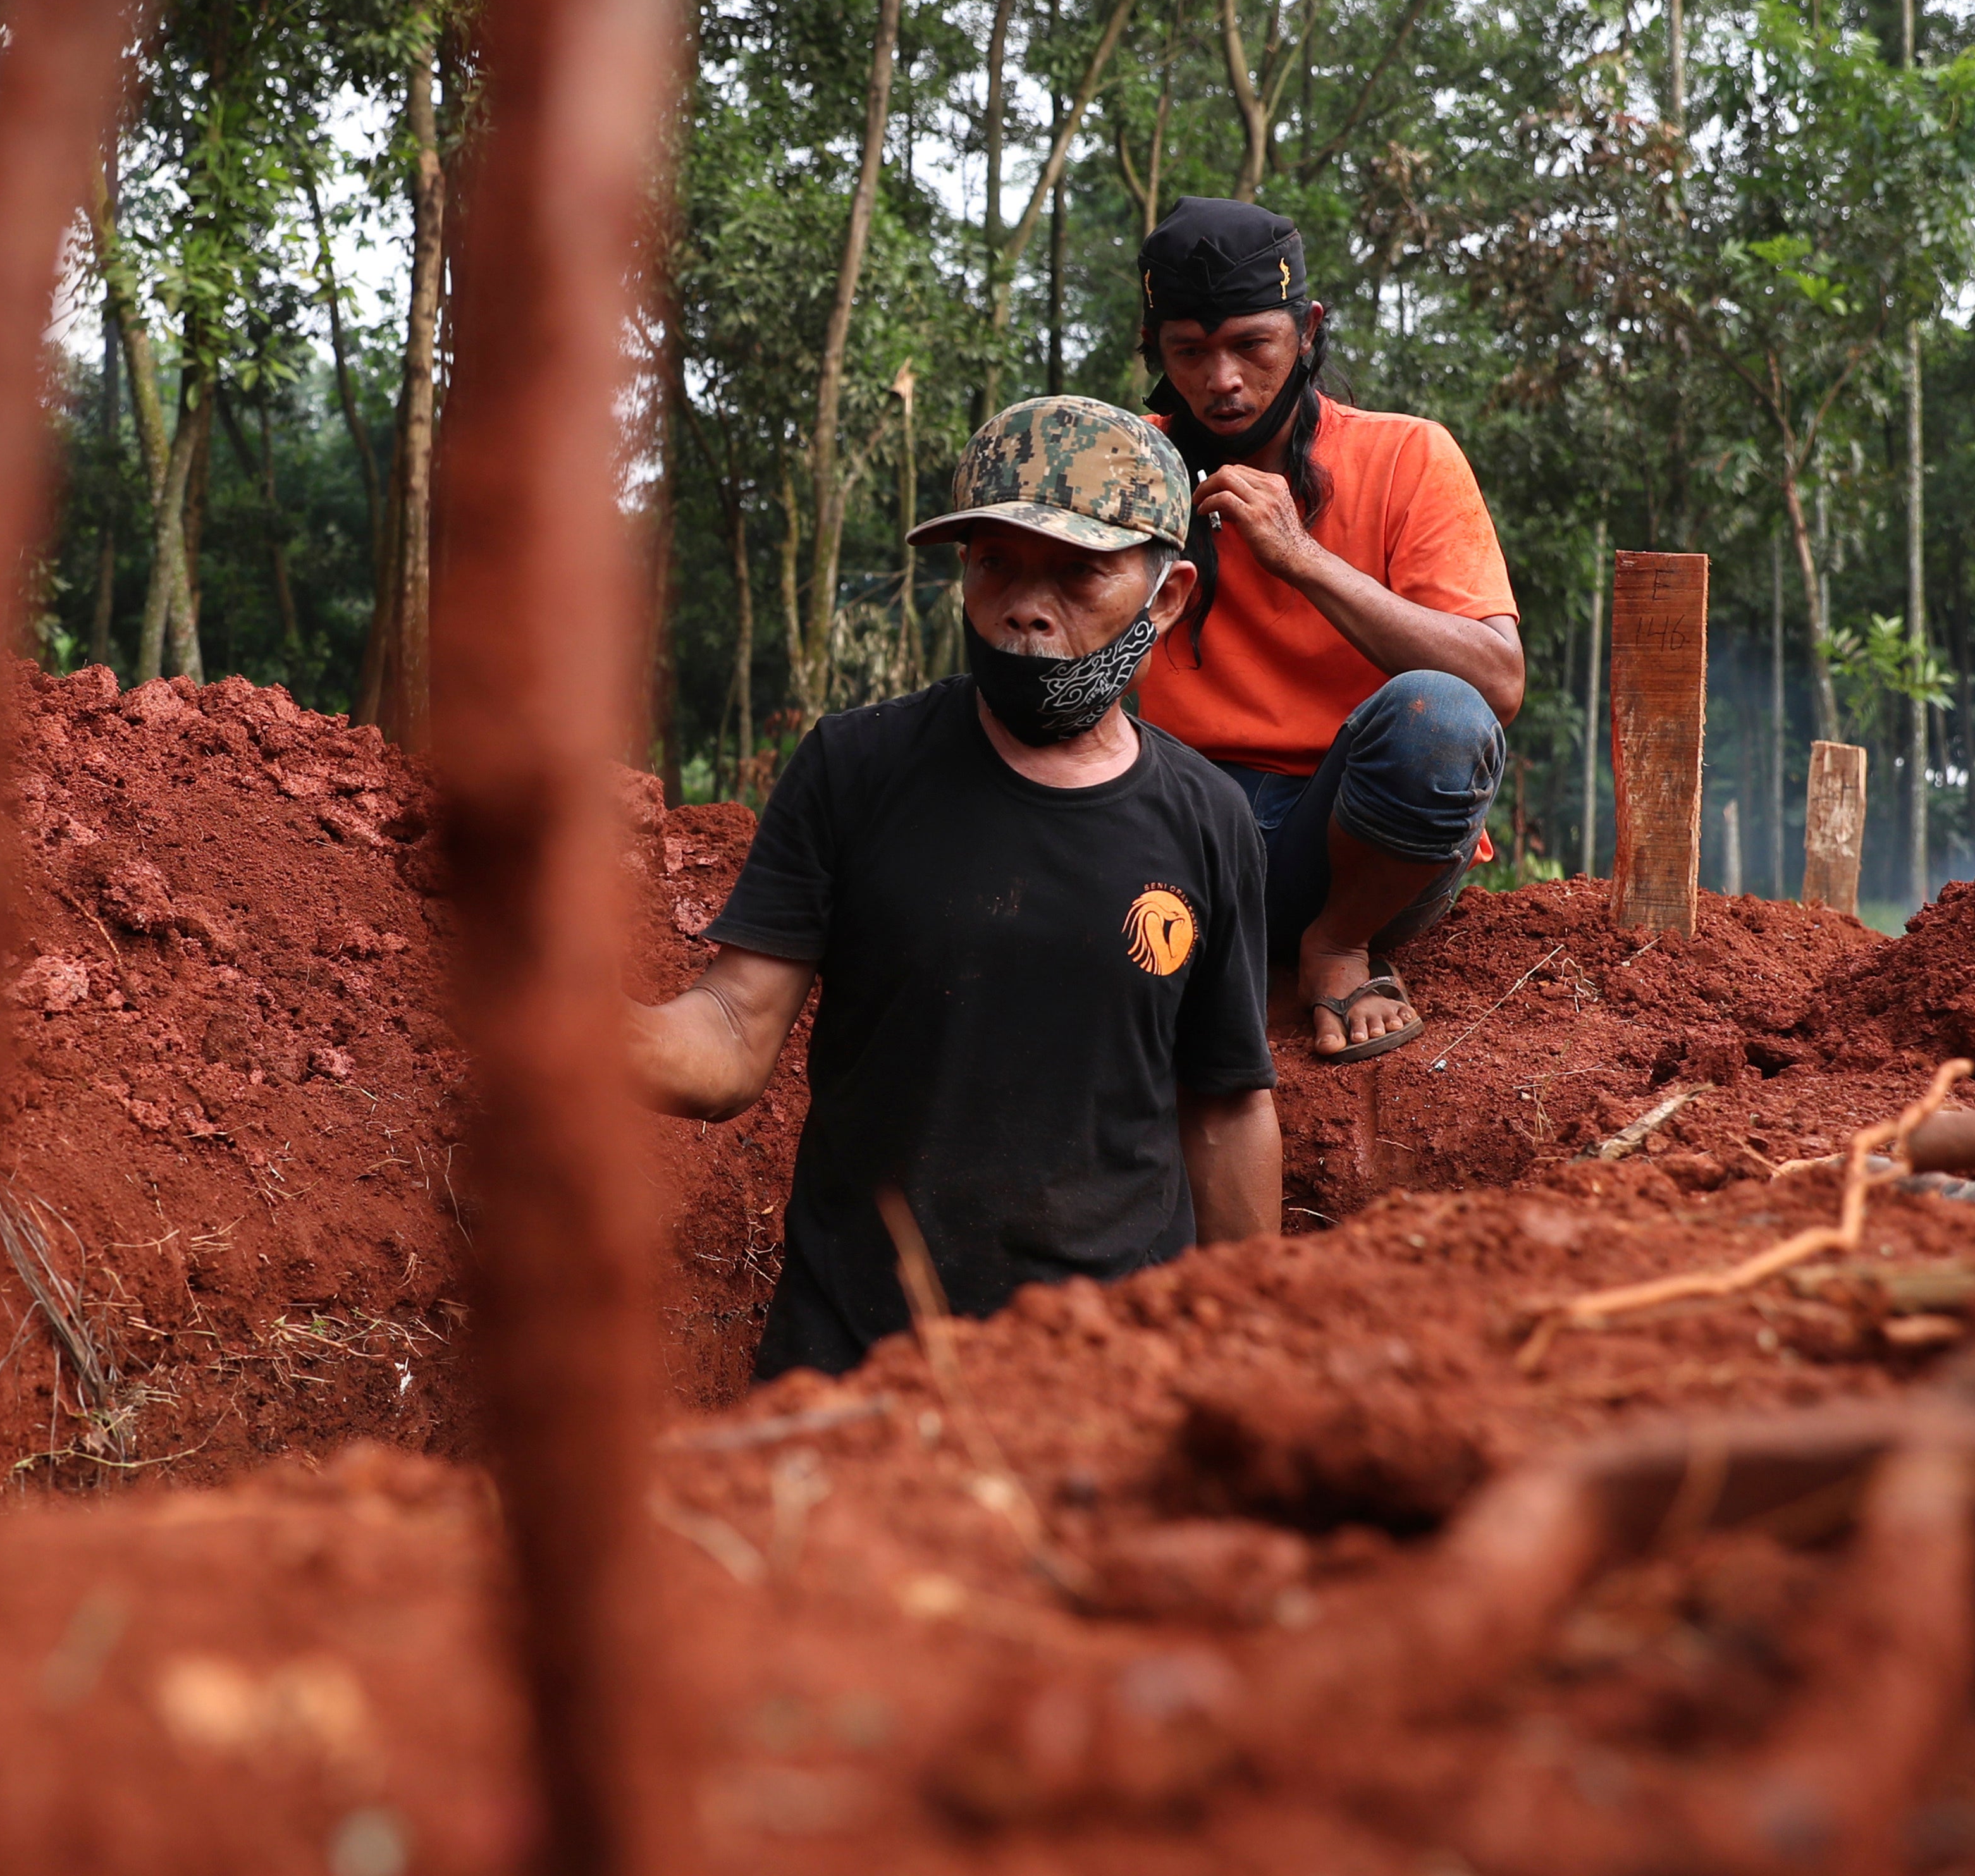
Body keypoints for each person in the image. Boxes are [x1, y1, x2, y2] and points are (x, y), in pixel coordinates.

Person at [628, 398, 1283, 1382]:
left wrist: (1246, 1354)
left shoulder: (1207, 820)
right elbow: (728, 1031)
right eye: (995, 563)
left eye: (1079, 571)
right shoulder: (857, 770)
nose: (1027, 604)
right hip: (856, 1372)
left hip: (1105, 1382)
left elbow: (1226, 1111)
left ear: (1169, 595)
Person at [1129, 197, 1525, 1065]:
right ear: (1154, 349)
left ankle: (1338, 945)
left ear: (1307, 331)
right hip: (1182, 838)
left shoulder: (1408, 455)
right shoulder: (1129, 469)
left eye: (1250, 346)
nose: (1220, 380)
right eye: (1188, 352)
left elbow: (1497, 683)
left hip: (1359, 838)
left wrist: (1300, 556)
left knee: (1441, 718)